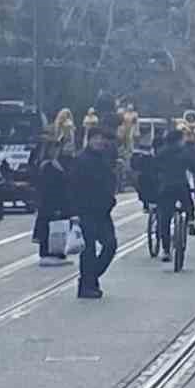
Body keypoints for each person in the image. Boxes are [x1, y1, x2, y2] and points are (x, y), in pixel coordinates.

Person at [72, 125, 118, 299]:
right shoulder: (81, 160)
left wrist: (111, 200)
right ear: (89, 140)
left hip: (103, 211)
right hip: (86, 211)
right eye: (96, 138)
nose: (99, 141)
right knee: (88, 250)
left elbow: (110, 182)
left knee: (110, 244)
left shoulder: (105, 159)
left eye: (101, 138)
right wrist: (74, 213)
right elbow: (73, 187)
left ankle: (89, 279)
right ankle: (87, 286)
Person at [151, 127, 195, 264]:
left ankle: (166, 251)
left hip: (165, 188)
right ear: (179, 140)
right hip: (180, 186)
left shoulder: (161, 153)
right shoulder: (185, 153)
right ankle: (191, 220)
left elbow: (153, 170)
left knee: (165, 220)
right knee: (188, 202)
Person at [34, 136, 74, 265]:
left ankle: (58, 253)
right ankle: (47, 253)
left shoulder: (58, 163)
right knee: (50, 229)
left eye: (58, 149)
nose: (56, 151)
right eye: (54, 149)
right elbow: (48, 187)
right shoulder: (47, 165)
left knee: (59, 229)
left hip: (59, 203)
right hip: (50, 203)